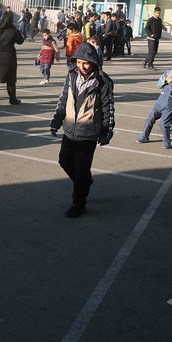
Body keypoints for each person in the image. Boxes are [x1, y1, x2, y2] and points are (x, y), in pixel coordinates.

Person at [49, 43, 114, 218]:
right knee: (64, 161)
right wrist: (56, 121)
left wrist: (106, 131)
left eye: (86, 63)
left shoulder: (103, 81)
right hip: (70, 129)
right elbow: (63, 100)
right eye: (79, 62)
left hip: (88, 133)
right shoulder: (71, 76)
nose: (82, 66)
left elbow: (108, 107)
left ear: (93, 62)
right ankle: (84, 181)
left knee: (81, 170)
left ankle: (79, 204)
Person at [137, 55, 172, 149]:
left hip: (171, 105)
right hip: (161, 102)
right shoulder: (167, 73)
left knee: (164, 124)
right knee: (150, 119)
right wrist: (166, 80)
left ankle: (167, 141)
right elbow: (158, 84)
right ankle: (144, 136)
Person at [0, 11, 24, 107]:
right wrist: (16, 30)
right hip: (8, 56)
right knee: (10, 79)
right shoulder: (13, 31)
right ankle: (12, 99)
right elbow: (20, 41)